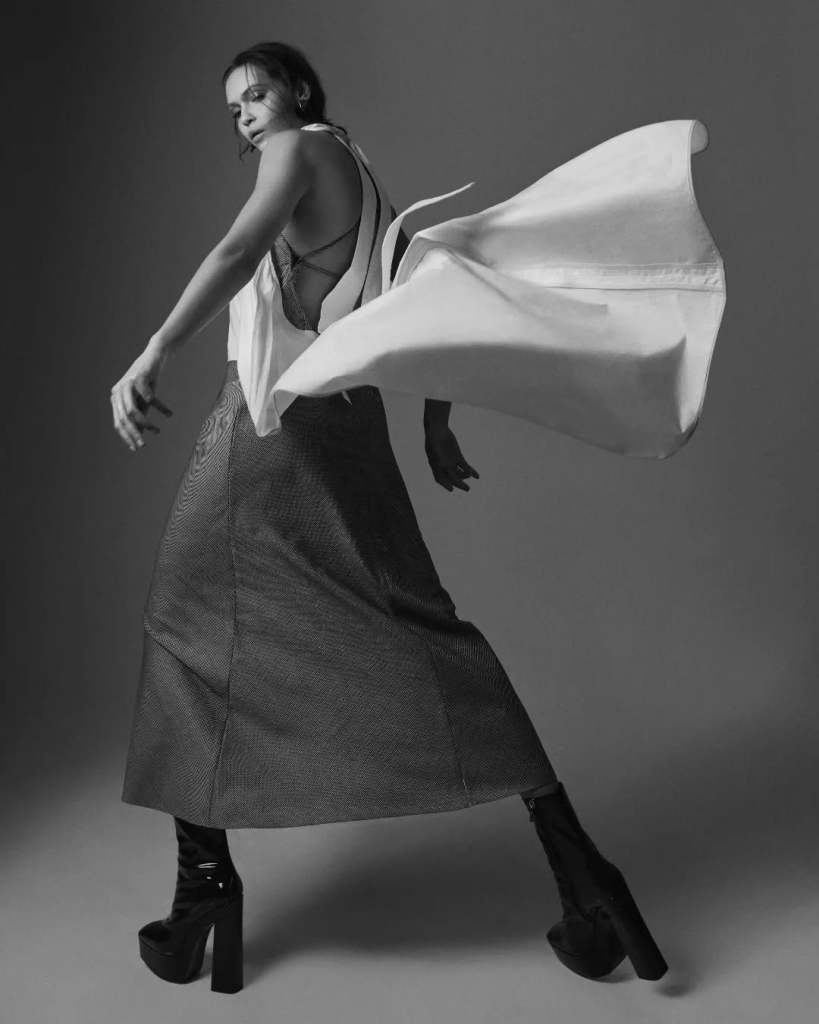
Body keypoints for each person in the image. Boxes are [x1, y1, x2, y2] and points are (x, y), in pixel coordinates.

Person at [113, 41, 669, 994]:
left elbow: (238, 250)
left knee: (182, 624)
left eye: (257, 92)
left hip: (270, 431)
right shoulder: (358, 169)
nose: (245, 113)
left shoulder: (297, 149)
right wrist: (433, 422)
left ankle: (205, 888)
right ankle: (583, 871)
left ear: (296, 90)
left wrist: (154, 349)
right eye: (234, 107)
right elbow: (427, 293)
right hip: (349, 425)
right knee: (416, 624)